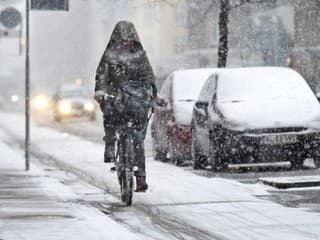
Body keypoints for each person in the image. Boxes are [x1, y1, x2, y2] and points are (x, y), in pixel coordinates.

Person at [94, 21, 157, 192]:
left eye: (127, 40)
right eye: (121, 40)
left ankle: (141, 177)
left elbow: (149, 77)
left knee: (137, 139)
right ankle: (110, 144)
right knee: (109, 116)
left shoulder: (140, 56)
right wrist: (101, 91)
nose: (124, 43)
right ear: (115, 40)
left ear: (133, 40)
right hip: (116, 100)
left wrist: (151, 93)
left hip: (135, 101)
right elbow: (102, 76)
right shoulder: (109, 57)